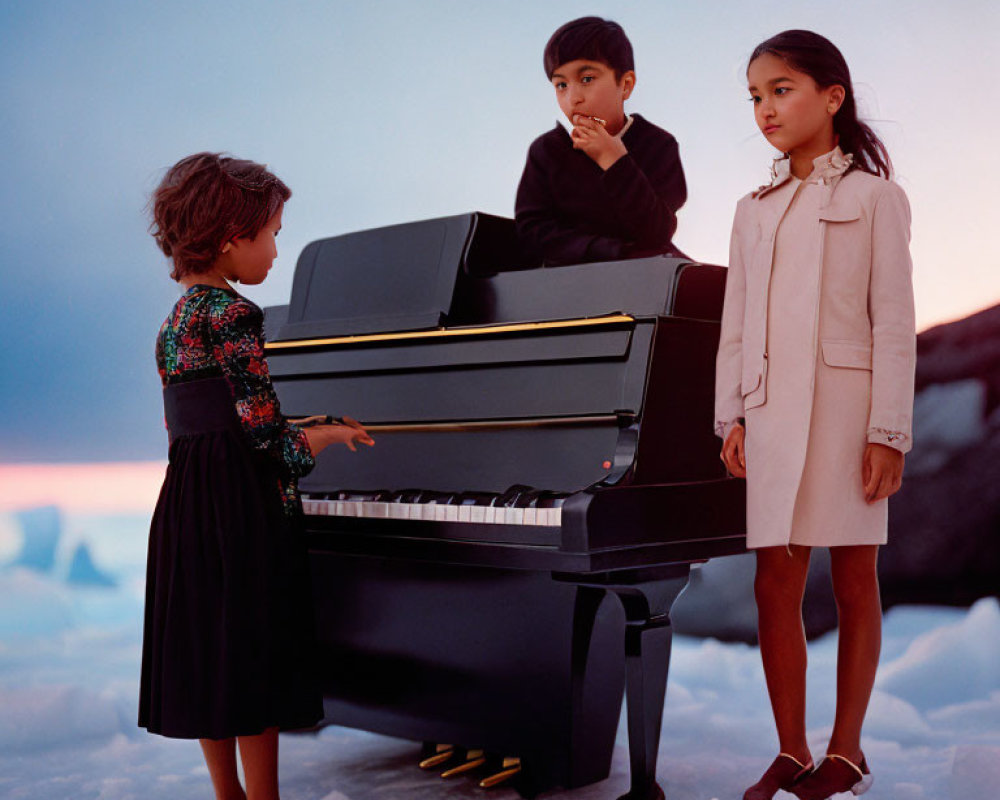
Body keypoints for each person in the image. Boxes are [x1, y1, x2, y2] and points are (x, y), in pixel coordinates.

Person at [714, 30, 915, 800]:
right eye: (756, 96)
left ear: (833, 96)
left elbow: (893, 321)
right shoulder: (751, 210)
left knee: (856, 575)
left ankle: (848, 750)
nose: (766, 108)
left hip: (846, 412)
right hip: (768, 411)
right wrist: (730, 415)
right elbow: (737, 320)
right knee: (775, 580)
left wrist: (887, 432)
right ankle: (792, 750)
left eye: (782, 90)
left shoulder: (875, 199)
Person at [138, 152, 374, 800]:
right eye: (271, 233)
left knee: (214, 659)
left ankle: (229, 795)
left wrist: (315, 419)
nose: (275, 249)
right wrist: (322, 437)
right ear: (230, 238)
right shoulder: (237, 318)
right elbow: (270, 442)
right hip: (241, 509)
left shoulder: (171, 327)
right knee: (255, 660)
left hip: (187, 502)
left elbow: (200, 425)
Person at [514, 16, 687, 266]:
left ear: (625, 85)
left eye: (586, 79)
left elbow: (656, 232)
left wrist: (616, 161)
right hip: (570, 281)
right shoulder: (547, 151)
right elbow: (533, 232)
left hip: (643, 275)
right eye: (561, 85)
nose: (573, 98)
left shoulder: (658, 145)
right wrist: (608, 250)